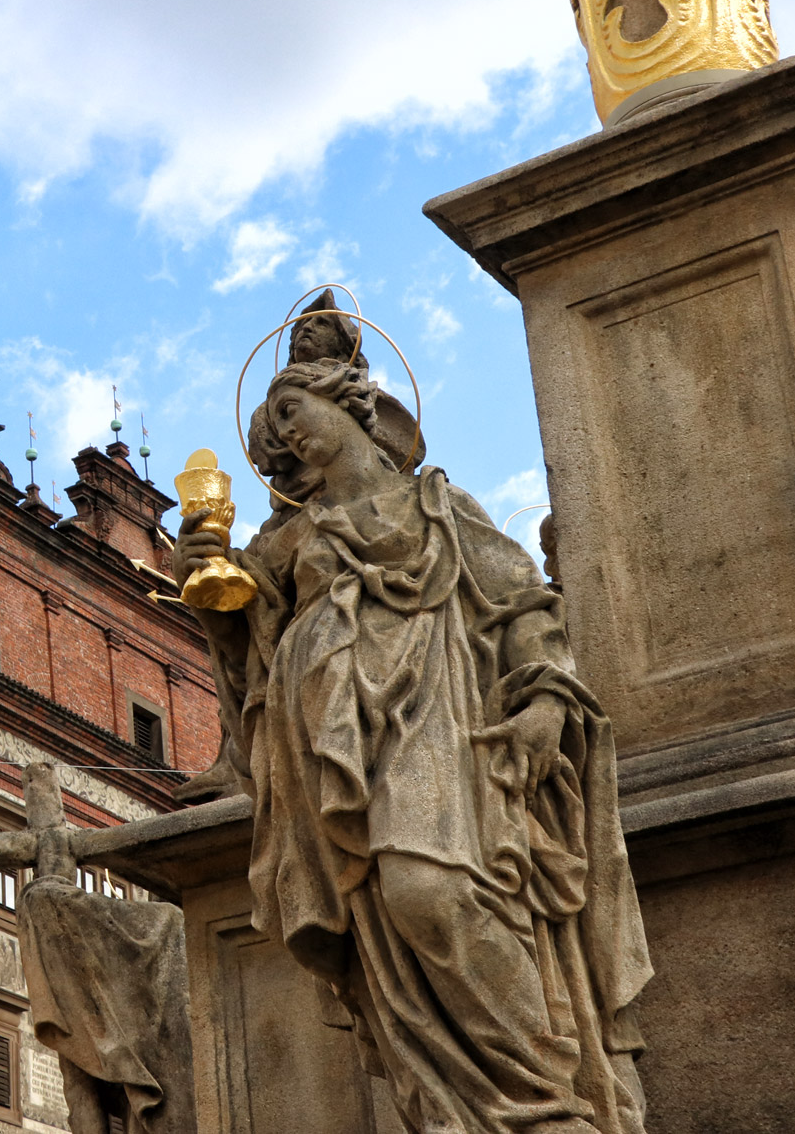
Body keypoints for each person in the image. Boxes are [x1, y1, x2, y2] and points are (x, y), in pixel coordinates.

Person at [173, 356, 651, 1134]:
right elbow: (246, 654)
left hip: (438, 706)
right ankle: (457, 1105)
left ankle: (545, 1101)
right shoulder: (293, 537)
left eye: (293, 406)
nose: (284, 430)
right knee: (388, 926)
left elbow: (522, 601)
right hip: (331, 736)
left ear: (353, 403)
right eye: (274, 426)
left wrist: (543, 697)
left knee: (435, 891)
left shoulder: (438, 504)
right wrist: (207, 586)